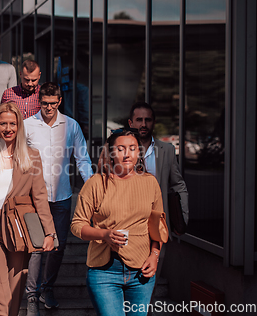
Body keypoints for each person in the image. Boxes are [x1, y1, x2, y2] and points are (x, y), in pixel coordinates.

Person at [0, 102, 56, 316]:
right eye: (3, 123)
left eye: (13, 124)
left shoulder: (31, 156)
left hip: (19, 226)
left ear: (19, 126)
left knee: (16, 290)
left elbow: (40, 197)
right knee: (1, 291)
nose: (8, 128)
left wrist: (50, 232)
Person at [71, 130, 162, 316]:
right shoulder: (96, 183)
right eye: (120, 149)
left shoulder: (150, 183)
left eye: (132, 148)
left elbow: (158, 227)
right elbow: (77, 225)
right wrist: (104, 234)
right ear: (111, 153)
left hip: (141, 271)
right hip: (104, 271)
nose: (127, 154)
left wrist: (155, 255)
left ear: (139, 152)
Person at [23, 82, 94, 314]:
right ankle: (31, 294)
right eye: (45, 104)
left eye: (53, 104)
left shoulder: (71, 126)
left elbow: (82, 159)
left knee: (58, 247)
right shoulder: (27, 126)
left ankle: (47, 287)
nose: (49, 108)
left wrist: (92, 186)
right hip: (34, 198)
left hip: (62, 197)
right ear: (39, 102)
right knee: (35, 247)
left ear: (60, 101)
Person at [127, 102, 189, 234]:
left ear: (154, 122)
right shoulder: (121, 151)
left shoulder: (167, 150)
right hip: (129, 223)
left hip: (158, 224)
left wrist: (182, 218)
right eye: (139, 120)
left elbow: (178, 185)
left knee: (158, 255)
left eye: (147, 120)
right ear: (130, 123)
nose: (143, 124)